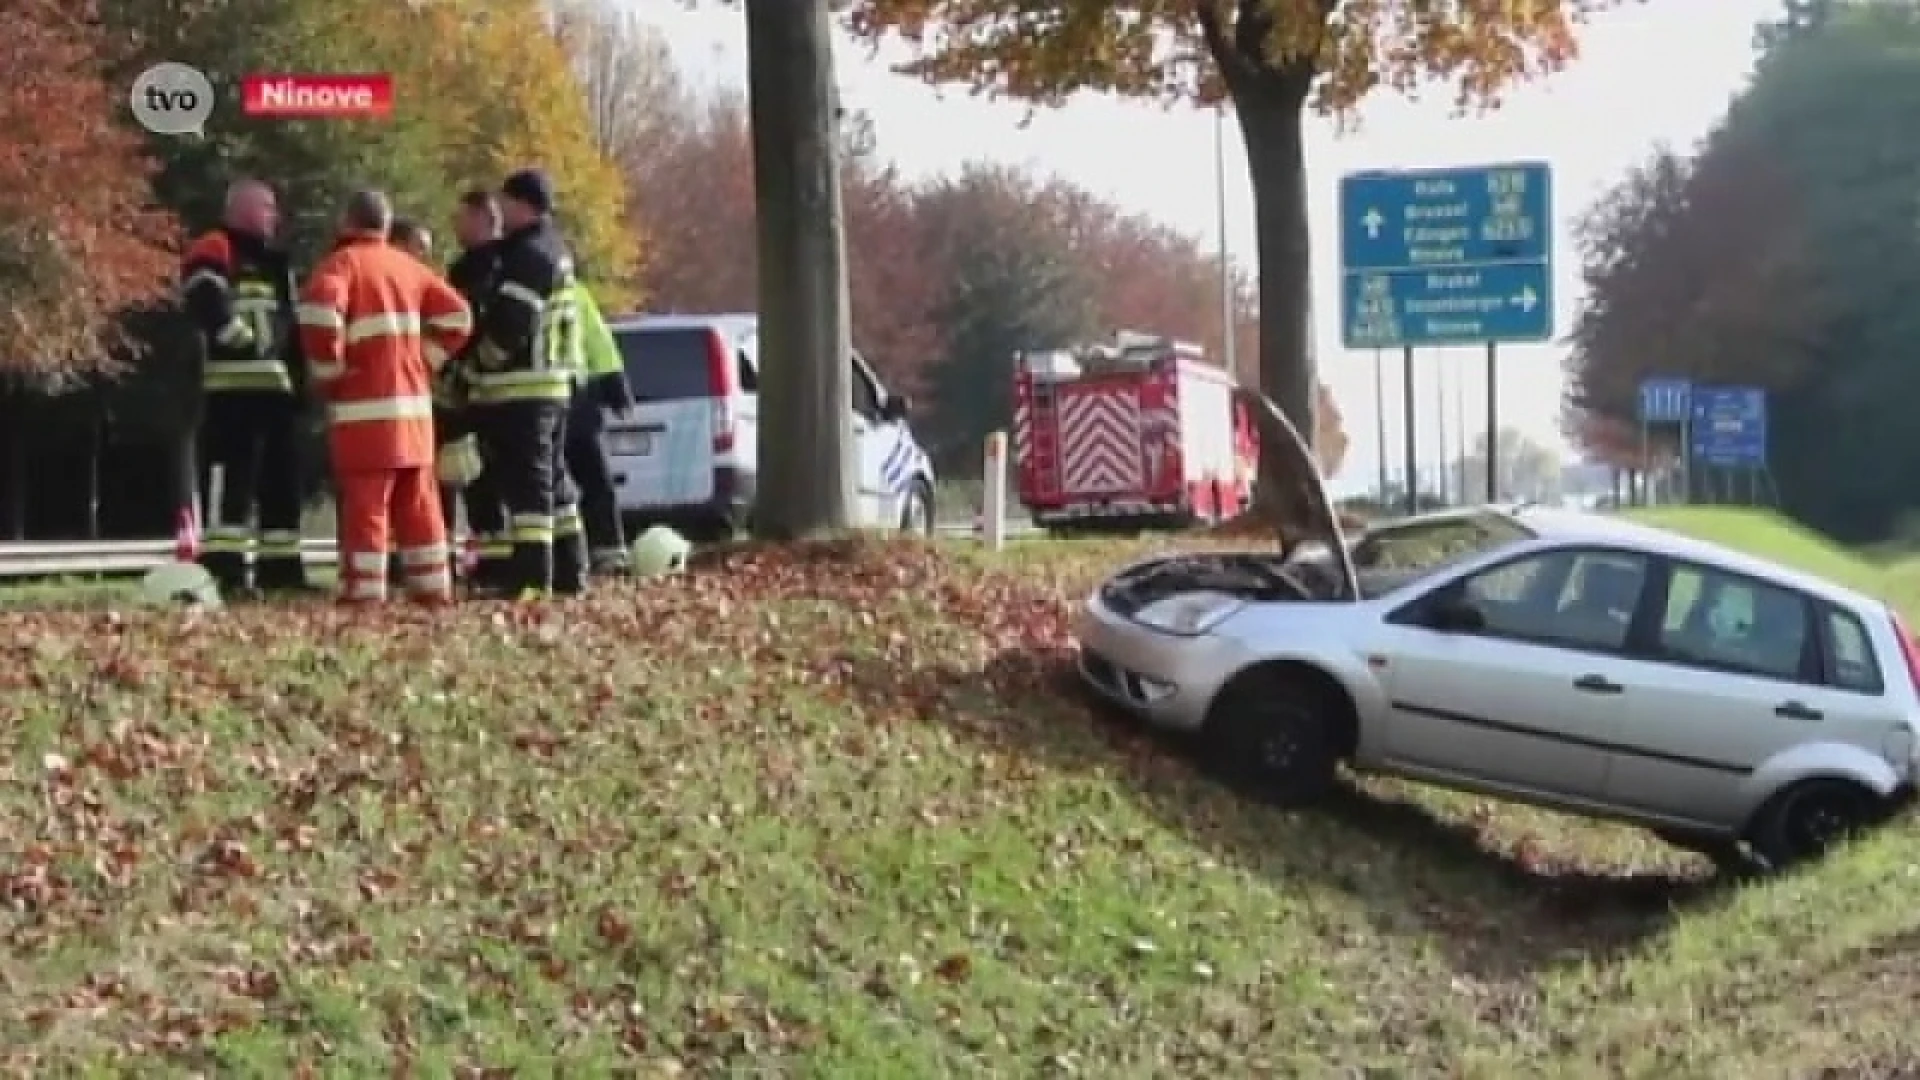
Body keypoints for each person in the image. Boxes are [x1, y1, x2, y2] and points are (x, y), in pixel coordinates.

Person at [296, 189, 473, 604]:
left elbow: (320, 314)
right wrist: (426, 359)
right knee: (420, 506)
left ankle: (364, 596)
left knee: (367, 507)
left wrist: (329, 372)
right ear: (387, 225)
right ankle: (432, 592)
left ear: (346, 222)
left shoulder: (342, 266)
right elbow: (459, 317)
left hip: (365, 416)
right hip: (414, 417)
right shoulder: (407, 267)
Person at [178, 178, 311, 593]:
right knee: (231, 484)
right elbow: (202, 295)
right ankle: (224, 570)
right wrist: (238, 337)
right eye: (266, 207)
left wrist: (300, 382)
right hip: (232, 395)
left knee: (281, 487)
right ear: (240, 209)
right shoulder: (217, 245)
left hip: (276, 395)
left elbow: (292, 327)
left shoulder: (277, 264)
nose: (274, 216)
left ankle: (282, 572)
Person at [463, 169, 587, 595]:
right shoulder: (554, 249)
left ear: (522, 205)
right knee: (554, 482)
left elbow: (512, 323)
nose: (501, 210)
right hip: (552, 387)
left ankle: (535, 579)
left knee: (528, 489)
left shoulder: (530, 255)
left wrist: (478, 364)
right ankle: (572, 572)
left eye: (506, 202)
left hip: (523, 390)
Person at [444, 190, 510, 587]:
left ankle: (500, 563)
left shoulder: (496, 267)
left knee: (495, 481)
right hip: (473, 393)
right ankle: (487, 562)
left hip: (497, 392)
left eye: (462, 218)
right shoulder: (462, 269)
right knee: (476, 482)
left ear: (484, 218)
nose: (456, 226)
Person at [567, 284, 635, 573]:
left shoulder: (571, 292)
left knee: (591, 482)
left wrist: (615, 384)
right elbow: (600, 343)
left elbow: (598, 342)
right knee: (593, 481)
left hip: (565, 402)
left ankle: (603, 552)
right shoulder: (573, 291)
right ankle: (600, 553)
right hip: (572, 401)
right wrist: (615, 386)